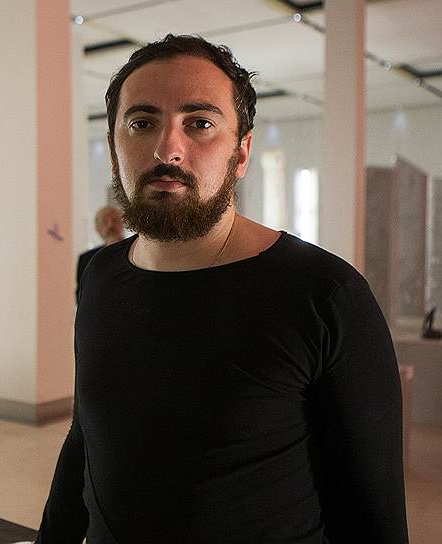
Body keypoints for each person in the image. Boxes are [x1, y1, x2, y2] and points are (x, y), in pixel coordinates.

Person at [36, 34, 407, 543]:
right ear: (113, 147)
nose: (167, 149)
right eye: (142, 123)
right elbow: (85, 438)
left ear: (242, 152)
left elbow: (373, 518)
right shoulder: (100, 274)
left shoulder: (325, 294)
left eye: (200, 123)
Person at [76, 206, 124, 302]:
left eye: (114, 220)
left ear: (123, 224)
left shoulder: (136, 252)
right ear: (97, 229)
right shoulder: (86, 259)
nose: (110, 225)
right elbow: (81, 295)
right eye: (105, 222)